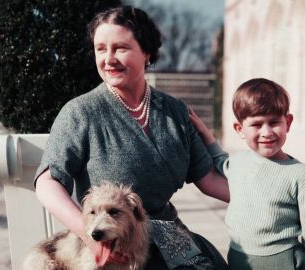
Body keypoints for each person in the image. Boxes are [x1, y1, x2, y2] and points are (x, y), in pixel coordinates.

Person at [34, 5, 229, 270]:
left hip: (168, 236)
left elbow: (210, 181)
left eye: (121, 48)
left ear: (147, 52)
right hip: (108, 241)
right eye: (101, 49)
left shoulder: (175, 112)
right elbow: (47, 182)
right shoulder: (81, 112)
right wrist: (88, 233)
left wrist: (272, 194)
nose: (109, 59)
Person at [189, 78, 305, 270]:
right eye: (257, 125)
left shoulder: (302, 177)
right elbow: (220, 160)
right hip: (240, 259)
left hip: (284, 263)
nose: (267, 132)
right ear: (240, 129)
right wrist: (207, 135)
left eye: (274, 122)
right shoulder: (239, 162)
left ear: (287, 123)